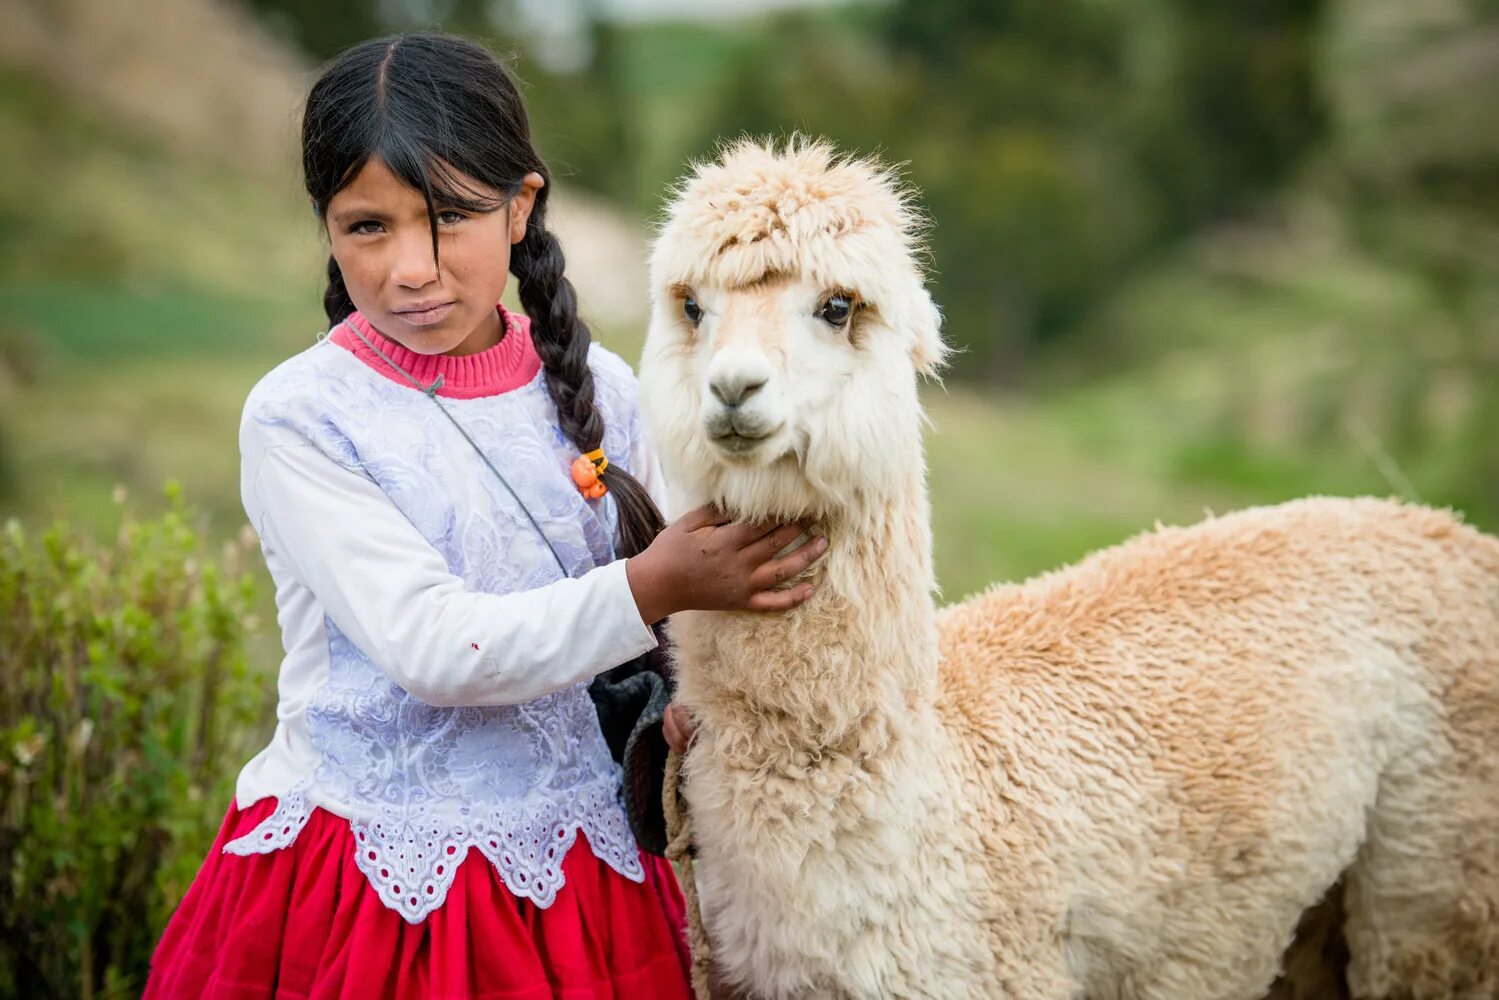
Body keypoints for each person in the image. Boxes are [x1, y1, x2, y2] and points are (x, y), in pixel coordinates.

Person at [144, 32, 827, 999]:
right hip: (376, 886)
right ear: (326, 226)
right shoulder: (304, 418)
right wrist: (654, 586)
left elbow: (685, 598)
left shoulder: (607, 390)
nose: (410, 269)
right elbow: (432, 649)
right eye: (367, 226)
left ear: (521, 207)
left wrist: (687, 679)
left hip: (587, 873)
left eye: (449, 219)